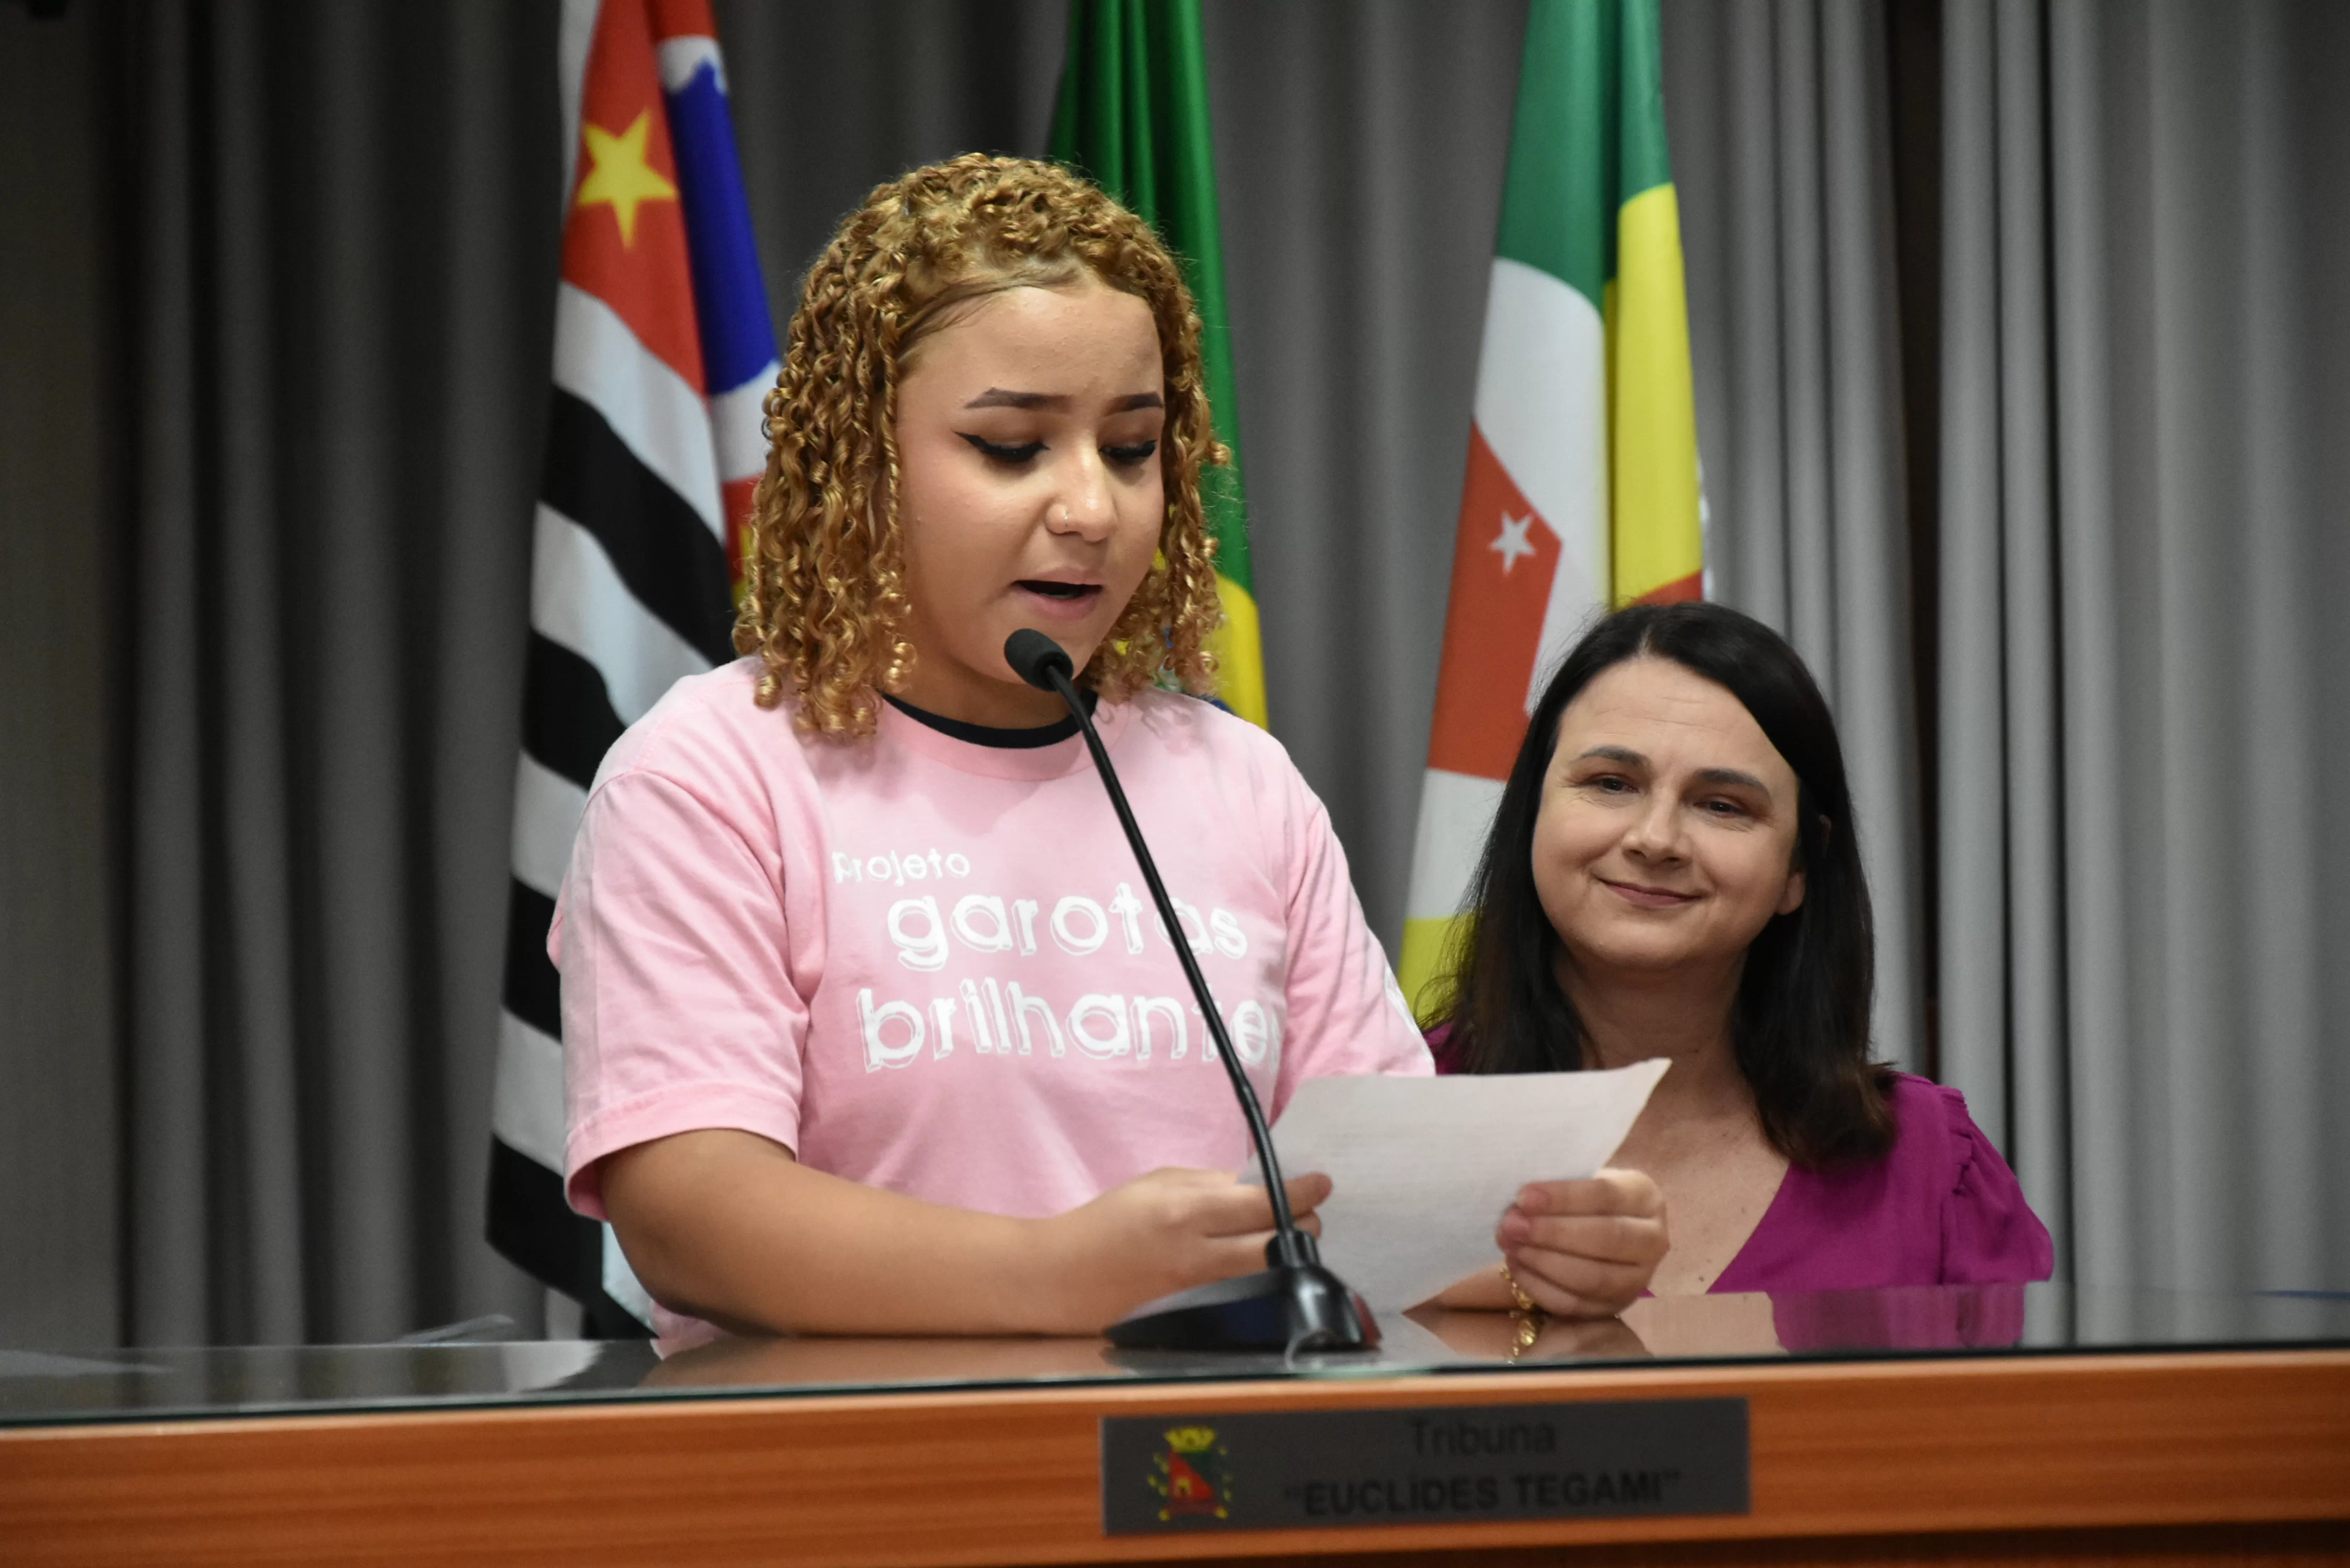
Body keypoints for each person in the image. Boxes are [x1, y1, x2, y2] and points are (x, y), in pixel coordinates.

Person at [553, 155, 1668, 1342]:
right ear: (861, 464)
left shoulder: (1242, 785)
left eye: (1132, 449)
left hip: (1215, 1451)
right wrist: (1061, 1275)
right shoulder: (711, 774)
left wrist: (1531, 1247)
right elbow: (688, 1214)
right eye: (1011, 446)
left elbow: (1368, 1209)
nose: (1092, 508)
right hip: (863, 1455)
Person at [1427, 602, 2052, 1307]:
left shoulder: (1928, 1163)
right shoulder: (1393, 1122)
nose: (1655, 839)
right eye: (1611, 784)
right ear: (1533, 812)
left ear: (1798, 869)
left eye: (1722, 805)